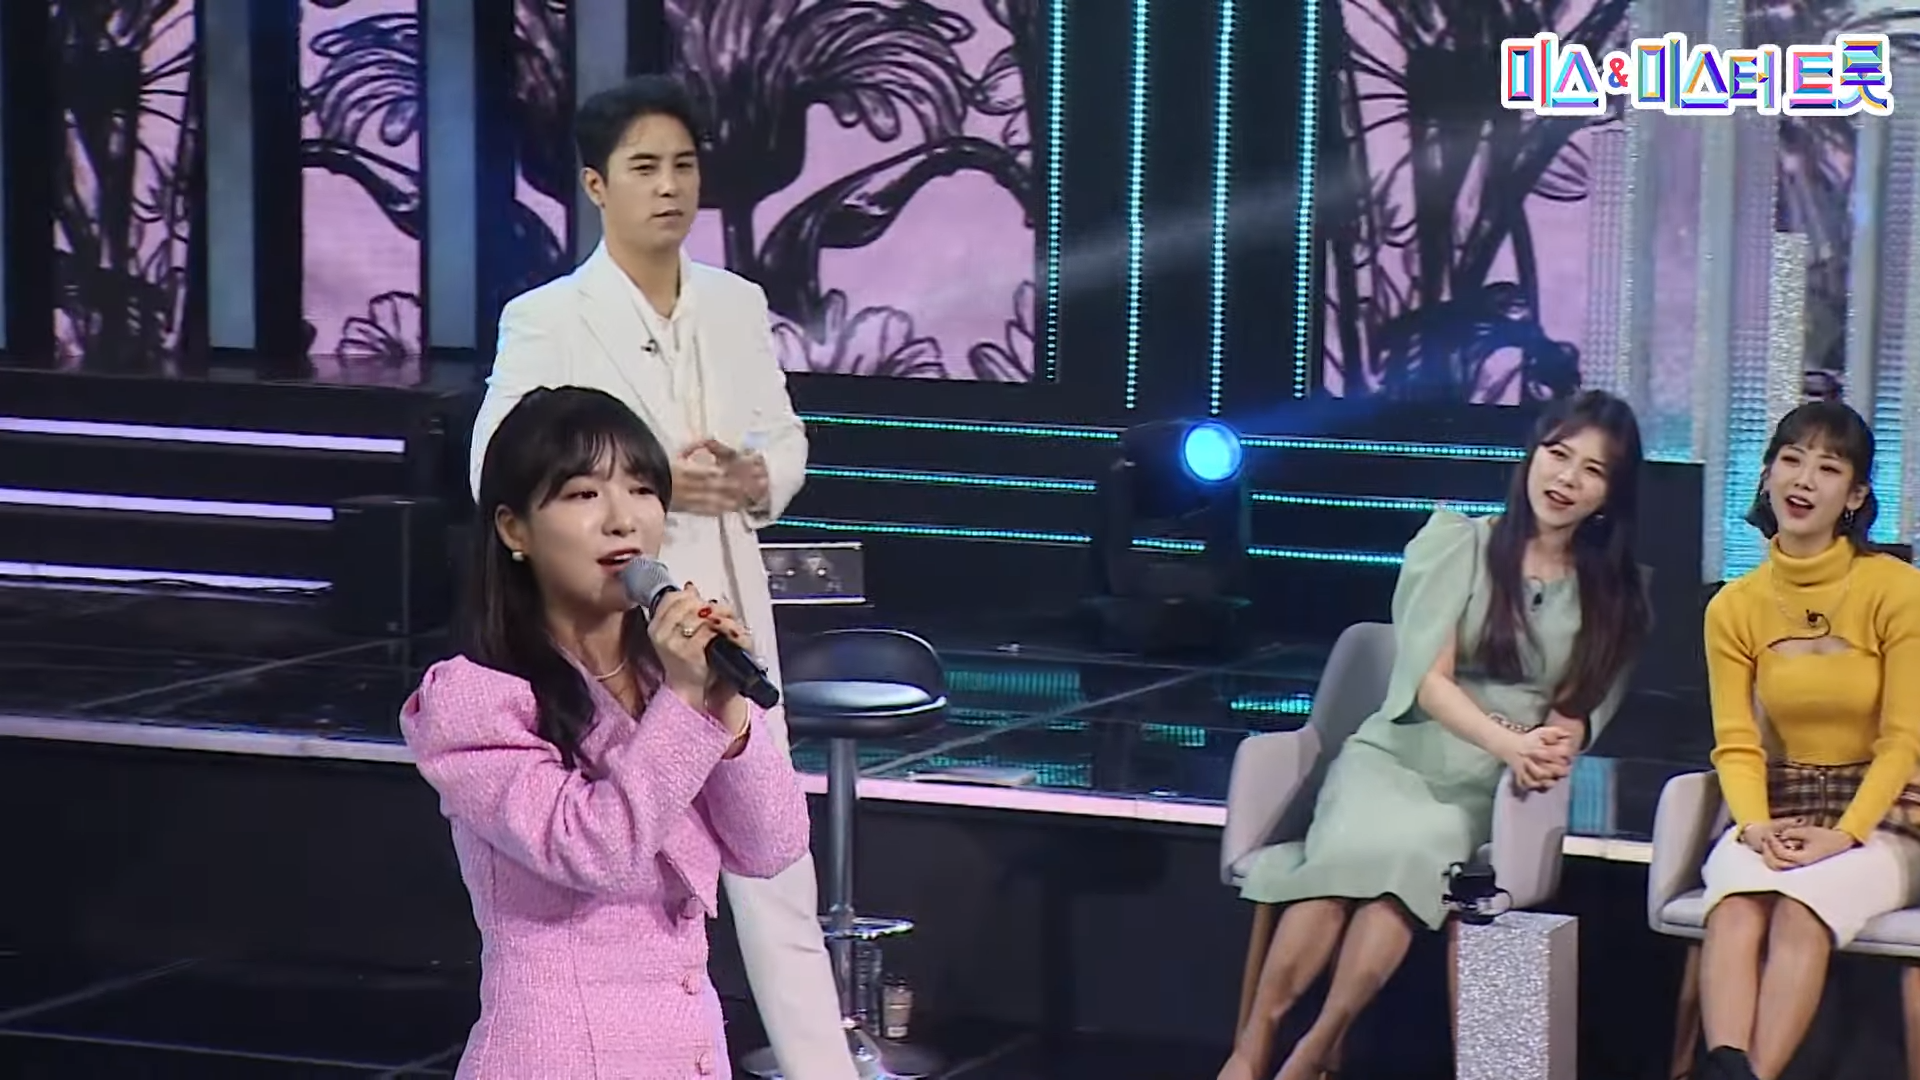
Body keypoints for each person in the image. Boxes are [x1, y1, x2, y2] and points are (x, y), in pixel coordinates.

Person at [468, 77, 854, 1078]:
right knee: (630, 851)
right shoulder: (549, 317)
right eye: (645, 167)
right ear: (597, 185)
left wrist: (760, 477)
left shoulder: (734, 303)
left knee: (776, 862)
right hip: (612, 623)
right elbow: (492, 465)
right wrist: (649, 485)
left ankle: (821, 1064)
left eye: (684, 166)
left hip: (724, 612)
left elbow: (784, 435)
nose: (670, 187)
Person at [1219, 390, 1652, 1080]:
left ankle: (1315, 1047)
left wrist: (1550, 744)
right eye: (1558, 454)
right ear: (1531, 455)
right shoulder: (1458, 544)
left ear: (1610, 496)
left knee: (1412, 866)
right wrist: (1507, 741)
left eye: (1593, 470)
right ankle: (1253, 1047)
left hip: (1490, 786)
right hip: (1401, 752)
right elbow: (1429, 682)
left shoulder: (1615, 594)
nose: (1567, 478)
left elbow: (1580, 705)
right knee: (1344, 863)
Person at [403, 387, 810, 1077]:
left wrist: (727, 711)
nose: (623, 519)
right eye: (584, 495)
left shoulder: (668, 676)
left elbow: (773, 845)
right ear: (514, 530)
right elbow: (594, 852)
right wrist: (685, 702)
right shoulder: (476, 700)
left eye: (643, 489)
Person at [1691, 402, 1920, 1080]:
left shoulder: (1897, 590)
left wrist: (1845, 835)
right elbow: (1737, 743)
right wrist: (1754, 825)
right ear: (1766, 476)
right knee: (1735, 907)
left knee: (1800, 909)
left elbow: (1903, 739)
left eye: (1828, 467)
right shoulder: (1733, 607)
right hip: (1782, 804)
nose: (1803, 479)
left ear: (1854, 496)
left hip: (1886, 811)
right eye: (1791, 459)